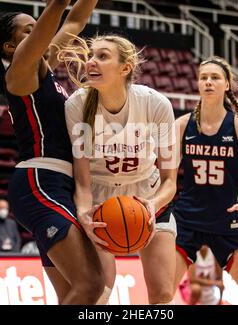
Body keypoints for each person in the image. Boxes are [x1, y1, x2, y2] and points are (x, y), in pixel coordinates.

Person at [0, 0, 106, 304]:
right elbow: (60, 1)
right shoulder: (19, 73)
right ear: (10, 46)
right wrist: (53, 6)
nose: (40, 30)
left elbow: (75, 21)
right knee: (91, 284)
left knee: (76, 293)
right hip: (40, 181)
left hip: (61, 185)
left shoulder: (43, 64)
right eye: (30, 29)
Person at [64, 35, 177, 305]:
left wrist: (152, 204)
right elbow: (82, 180)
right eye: (91, 55)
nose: (91, 61)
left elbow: (170, 181)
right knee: (100, 291)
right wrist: (83, 215)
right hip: (100, 199)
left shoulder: (156, 104)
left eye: (102, 56)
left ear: (125, 68)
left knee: (163, 294)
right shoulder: (77, 105)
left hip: (148, 197)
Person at [168, 56, 238, 305]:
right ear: (197, 83)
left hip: (226, 219)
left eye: (215, 78)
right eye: (203, 78)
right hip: (187, 220)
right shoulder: (182, 125)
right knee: (160, 296)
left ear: (227, 84)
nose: (208, 82)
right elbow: (168, 179)